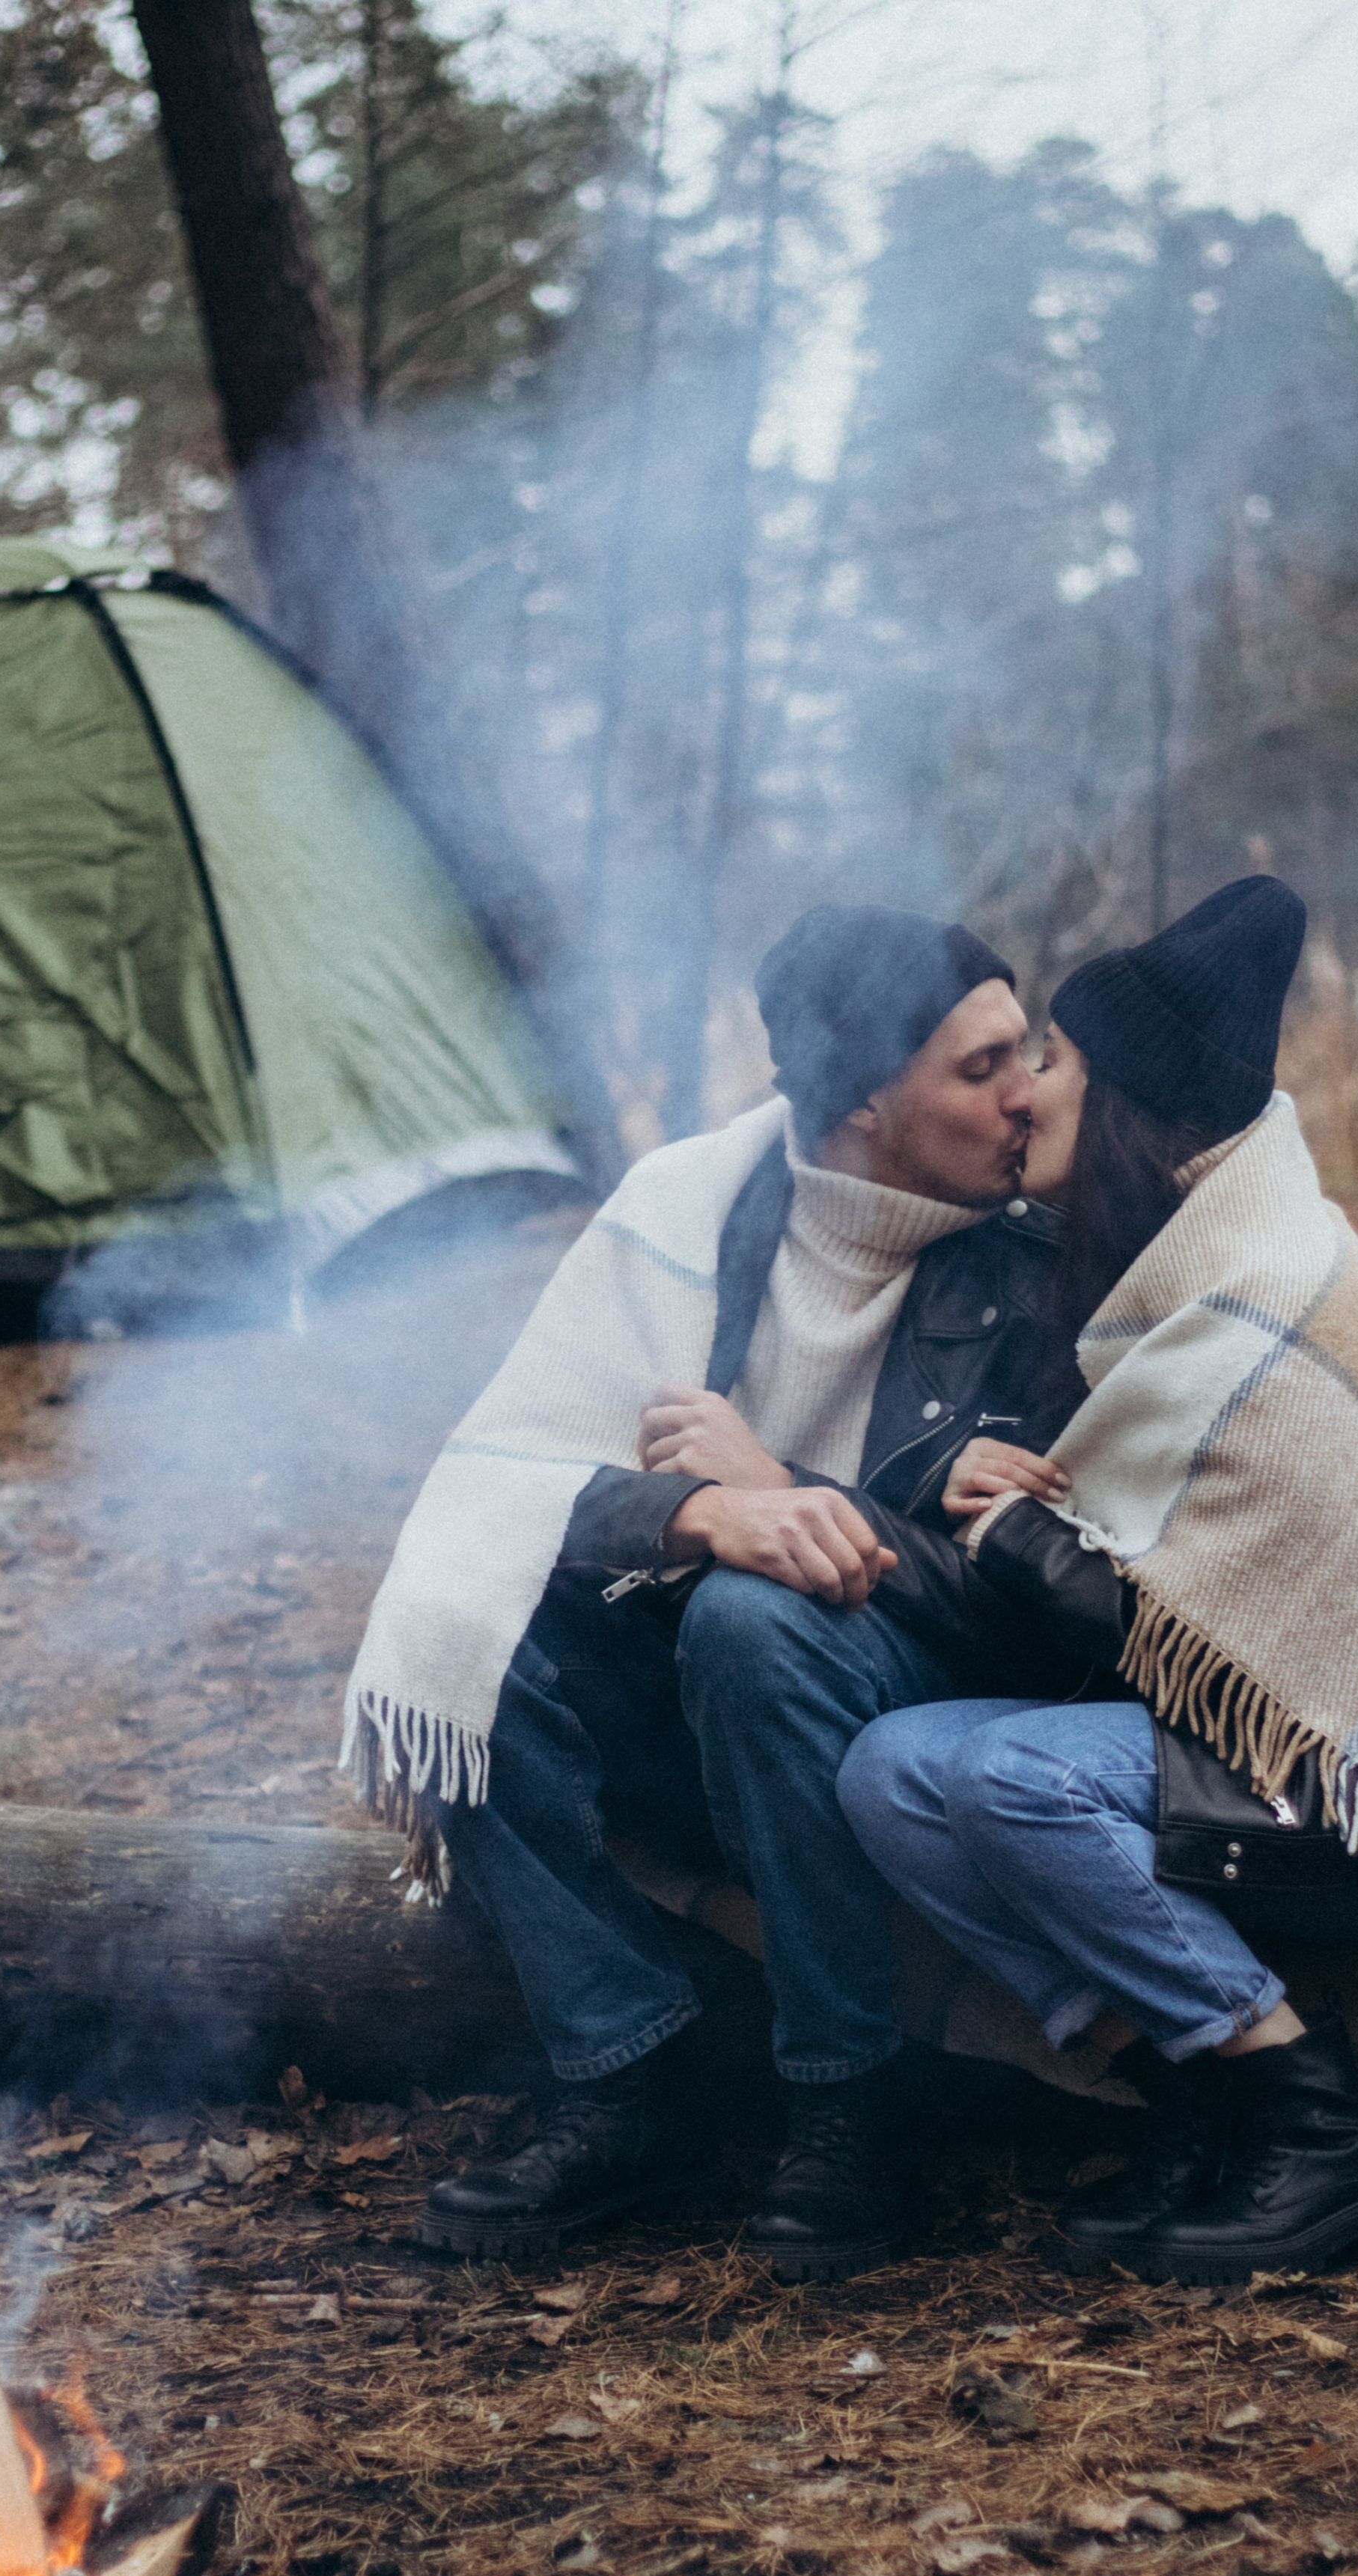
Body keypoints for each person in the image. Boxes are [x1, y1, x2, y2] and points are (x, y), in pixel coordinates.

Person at [344, 904, 1069, 2279]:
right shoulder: (691, 1209)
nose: (1027, 1094)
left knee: (754, 1622)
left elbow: (1034, 1610)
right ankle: (629, 2070)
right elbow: (516, 1470)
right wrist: (704, 1507)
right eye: (980, 1071)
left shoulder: (1045, 1264)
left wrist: (786, 1489)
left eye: (1022, 1050)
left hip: (923, 1713)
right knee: (465, 1614)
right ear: (860, 1101)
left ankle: (851, 2099)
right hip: (699, 1711)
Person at [834, 874, 1358, 2282]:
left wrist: (999, 1531)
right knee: (893, 1770)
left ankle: (1310, 2124)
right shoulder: (1168, 1264)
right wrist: (983, 1502)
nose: (1023, 1091)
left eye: (1051, 1061)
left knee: (1009, 1774)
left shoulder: (1261, 1284)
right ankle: (1199, 2086)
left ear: (1129, 1098)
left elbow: (1138, 1616)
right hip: (1264, 1754)